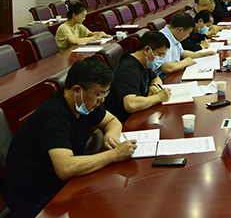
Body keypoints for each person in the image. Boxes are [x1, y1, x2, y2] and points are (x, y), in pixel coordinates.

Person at [3, 58, 137, 217]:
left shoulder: (83, 104)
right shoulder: (54, 116)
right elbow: (65, 168)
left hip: (59, 186)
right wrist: (114, 155)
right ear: (77, 90)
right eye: (99, 94)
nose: (102, 100)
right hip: (34, 201)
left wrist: (110, 137)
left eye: (105, 93)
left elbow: (112, 121)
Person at [104, 31, 172, 123]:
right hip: (125, 122)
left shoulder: (144, 62)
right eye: (160, 55)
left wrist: (154, 86)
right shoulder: (128, 70)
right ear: (147, 50)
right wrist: (158, 97)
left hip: (140, 114)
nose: (161, 59)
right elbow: (130, 104)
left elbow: (156, 79)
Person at [152, 12, 216, 79]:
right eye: (188, 33)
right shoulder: (163, 39)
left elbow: (182, 53)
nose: (188, 36)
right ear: (180, 30)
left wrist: (203, 54)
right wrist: (185, 62)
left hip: (173, 75)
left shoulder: (173, 35)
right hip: (163, 80)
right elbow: (167, 68)